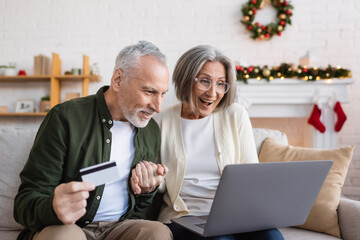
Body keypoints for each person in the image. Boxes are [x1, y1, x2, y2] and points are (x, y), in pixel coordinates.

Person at [14, 41, 173, 240]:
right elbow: (24, 202)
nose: (157, 107)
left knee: (157, 233)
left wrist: (147, 190)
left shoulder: (149, 130)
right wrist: (53, 208)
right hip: (70, 227)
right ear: (118, 80)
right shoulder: (65, 118)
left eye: (162, 94)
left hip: (120, 227)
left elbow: (140, 207)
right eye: (149, 92)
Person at [154, 45, 285, 240]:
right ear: (185, 79)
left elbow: (251, 174)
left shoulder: (235, 114)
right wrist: (153, 179)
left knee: (273, 238)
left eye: (221, 83)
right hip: (185, 218)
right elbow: (159, 184)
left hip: (236, 216)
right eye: (205, 81)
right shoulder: (160, 122)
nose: (213, 93)